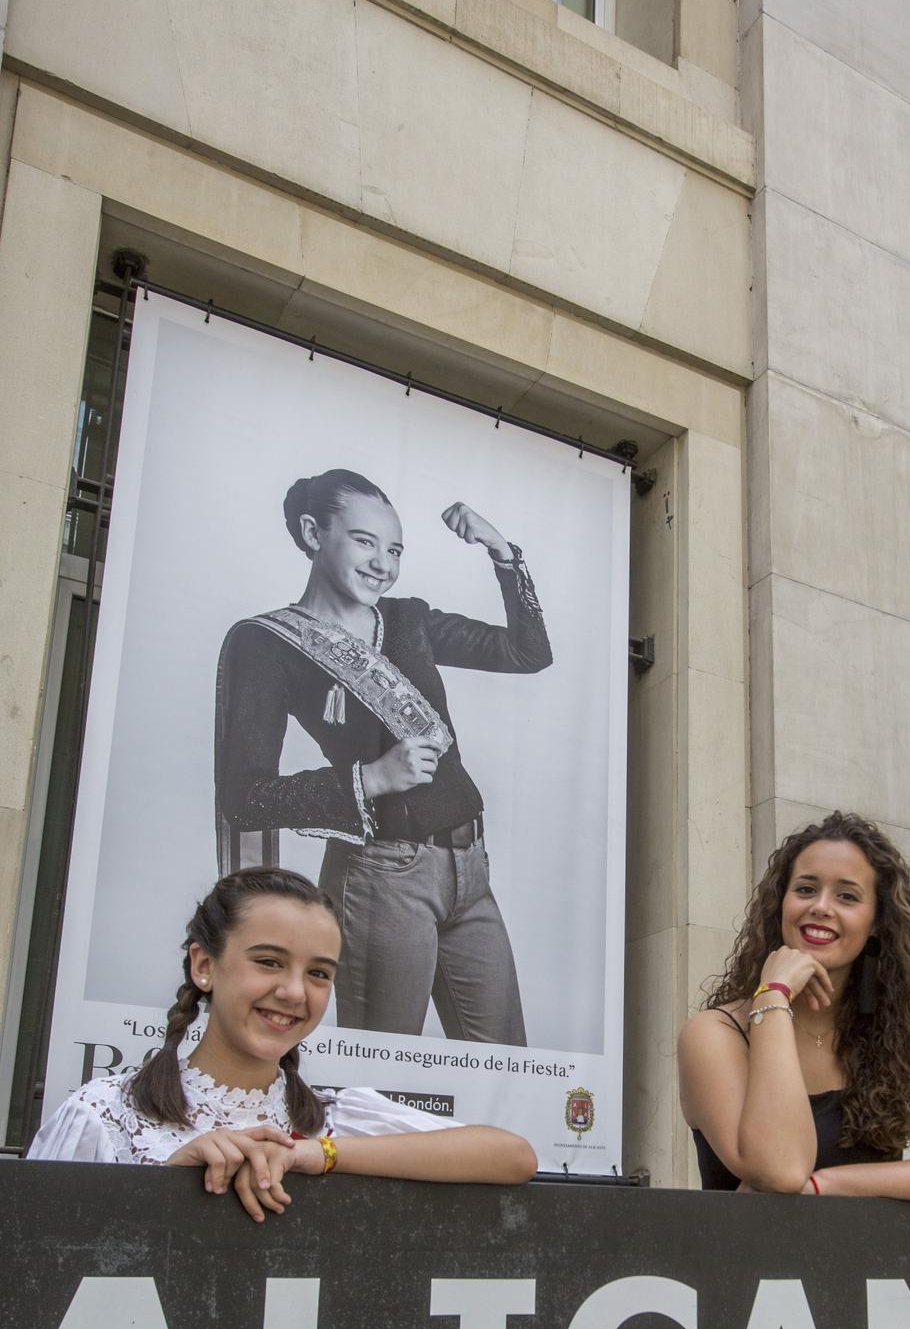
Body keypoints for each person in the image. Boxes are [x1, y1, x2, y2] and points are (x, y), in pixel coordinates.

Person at [214, 469, 553, 1043]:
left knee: (506, 1068)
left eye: (394, 549)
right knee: (383, 1070)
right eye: (365, 542)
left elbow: (528, 653)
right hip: (380, 875)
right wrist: (369, 779)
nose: (383, 564)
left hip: (469, 868)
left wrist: (503, 553)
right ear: (313, 532)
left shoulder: (406, 620)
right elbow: (245, 799)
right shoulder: (267, 642)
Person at [28, 868, 538, 1217]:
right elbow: (30, 1266)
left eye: (318, 973)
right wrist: (167, 1185)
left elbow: (512, 1156)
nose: (294, 992)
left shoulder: (332, 1119)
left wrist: (314, 1155)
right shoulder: (102, 1114)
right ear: (204, 965)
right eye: (269, 962)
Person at [677, 811, 910, 1203]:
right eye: (806, 889)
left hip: (871, 1264)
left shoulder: (894, 1039)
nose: (821, 907)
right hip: (751, 1263)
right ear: (781, 904)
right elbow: (781, 1169)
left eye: (847, 896)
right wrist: (773, 997)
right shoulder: (715, 1034)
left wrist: (825, 1185)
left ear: (877, 922)